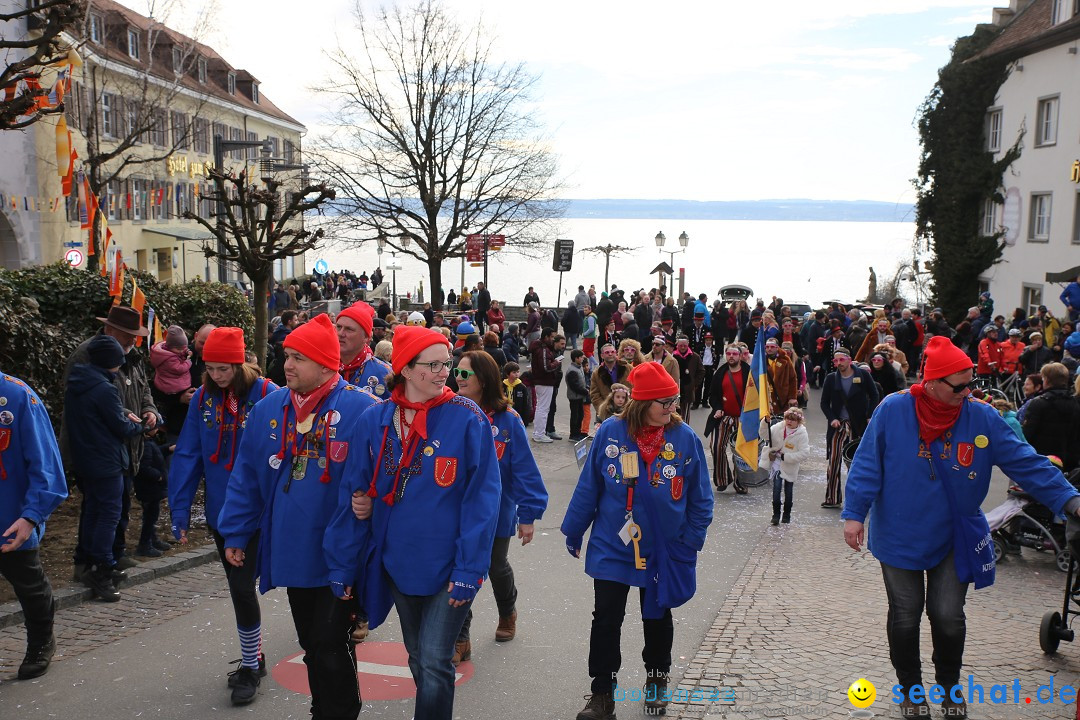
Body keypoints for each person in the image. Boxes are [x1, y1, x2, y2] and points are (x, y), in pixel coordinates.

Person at [841, 335, 1080, 719]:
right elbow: (868, 463)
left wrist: (1070, 499)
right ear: (932, 382)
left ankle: (950, 688)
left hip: (955, 535)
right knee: (905, 614)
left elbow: (1025, 461)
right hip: (900, 533)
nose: (968, 391)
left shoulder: (981, 415)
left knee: (948, 615)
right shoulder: (893, 409)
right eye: (960, 385)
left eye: (971, 382)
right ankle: (911, 690)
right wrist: (854, 513)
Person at [325, 325, 501, 720]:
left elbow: (483, 500)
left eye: (447, 363)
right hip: (397, 564)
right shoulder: (375, 419)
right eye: (433, 364)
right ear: (405, 368)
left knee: (437, 660)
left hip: (450, 567)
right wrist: (347, 548)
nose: (445, 372)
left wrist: (470, 568)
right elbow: (355, 487)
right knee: (419, 656)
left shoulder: (467, 417)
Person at [216, 315, 377, 720]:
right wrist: (235, 532)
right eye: (287, 355)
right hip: (293, 551)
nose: (287, 365)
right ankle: (322, 705)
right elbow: (247, 477)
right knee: (312, 640)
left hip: (341, 551)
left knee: (329, 640)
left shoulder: (362, 409)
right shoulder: (270, 408)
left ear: (326, 364)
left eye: (299, 358)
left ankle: (338, 711)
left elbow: (383, 473)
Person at [562, 361, 714, 719]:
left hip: (663, 548)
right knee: (606, 619)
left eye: (675, 400)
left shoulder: (684, 438)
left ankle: (657, 680)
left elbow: (701, 498)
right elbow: (590, 487)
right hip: (612, 546)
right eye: (666, 402)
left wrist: (689, 541)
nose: (672, 407)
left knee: (657, 617)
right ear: (643, 402)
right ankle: (602, 694)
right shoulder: (610, 432)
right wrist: (574, 528)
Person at [169, 327, 278, 704]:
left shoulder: (267, 395)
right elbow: (188, 453)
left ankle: (250, 666)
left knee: (241, 586)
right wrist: (179, 509)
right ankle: (255, 655)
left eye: (224, 368)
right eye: (210, 368)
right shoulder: (203, 399)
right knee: (240, 586)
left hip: (258, 513)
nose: (216, 375)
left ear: (240, 362)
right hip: (221, 513)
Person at [450, 351, 548, 660]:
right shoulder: (450, 411)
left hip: (496, 511)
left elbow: (524, 469)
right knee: (458, 569)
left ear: (484, 378)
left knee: (495, 566)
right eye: (457, 372)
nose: (457, 378)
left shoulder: (509, 420)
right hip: (456, 510)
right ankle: (460, 638)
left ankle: (508, 612)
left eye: (465, 374)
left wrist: (528, 514)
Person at [61, 306, 160, 581]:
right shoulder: (87, 356)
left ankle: (112, 555)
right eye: (128, 335)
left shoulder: (131, 355)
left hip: (124, 447)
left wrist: (150, 410)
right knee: (101, 508)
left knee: (117, 506)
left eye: (135, 336)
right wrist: (130, 423)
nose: (132, 341)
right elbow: (82, 410)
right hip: (101, 449)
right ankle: (94, 562)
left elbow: (144, 389)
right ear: (109, 330)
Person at [65, 335, 146, 601]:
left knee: (93, 510)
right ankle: (102, 569)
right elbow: (120, 427)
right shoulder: (104, 388)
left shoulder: (79, 383)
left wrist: (121, 414)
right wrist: (141, 427)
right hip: (106, 460)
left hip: (87, 458)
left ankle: (89, 562)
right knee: (108, 515)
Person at [0, 371, 68, 679]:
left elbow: (46, 464)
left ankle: (41, 643)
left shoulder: (17, 396)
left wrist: (30, 516)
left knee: (29, 585)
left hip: (10, 518)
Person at [819, 348, 879, 509]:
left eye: (841, 360)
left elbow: (874, 395)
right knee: (834, 462)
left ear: (849, 360)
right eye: (835, 361)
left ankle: (860, 501)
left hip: (858, 426)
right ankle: (832, 498)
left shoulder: (862, 375)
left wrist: (869, 414)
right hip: (838, 426)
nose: (838, 364)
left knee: (859, 464)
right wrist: (832, 419)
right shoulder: (831, 379)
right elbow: (824, 403)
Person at [707, 344, 751, 494]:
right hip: (723, 418)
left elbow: (756, 395)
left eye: (734, 354)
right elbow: (712, 396)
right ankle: (723, 478)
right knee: (716, 447)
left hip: (742, 418)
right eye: (729, 354)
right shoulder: (720, 373)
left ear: (740, 356)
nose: (731, 356)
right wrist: (718, 407)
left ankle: (741, 482)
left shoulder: (748, 372)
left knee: (741, 453)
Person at [1022, 362, 1080, 471]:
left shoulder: (1038, 403)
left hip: (1042, 460)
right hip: (1069, 462)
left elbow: (1027, 434)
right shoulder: (1075, 404)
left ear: (1047, 380)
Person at [761, 407, 810, 525]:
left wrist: (786, 457)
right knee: (776, 488)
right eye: (788, 418)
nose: (789, 422)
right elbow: (765, 435)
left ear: (799, 422)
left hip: (790, 465)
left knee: (788, 491)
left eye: (793, 420)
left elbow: (804, 453)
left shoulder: (802, 434)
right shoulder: (779, 427)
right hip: (777, 464)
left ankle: (787, 514)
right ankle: (776, 514)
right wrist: (765, 423)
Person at [336, 303, 391, 399]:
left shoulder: (384, 374)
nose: (340, 333)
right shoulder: (324, 369)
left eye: (349, 329)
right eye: (339, 327)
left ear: (366, 337)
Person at [132, 432, 171, 558]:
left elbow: (156, 455)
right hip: (149, 490)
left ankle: (152, 540)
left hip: (151, 490)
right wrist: (158, 476)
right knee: (150, 518)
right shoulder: (145, 445)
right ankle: (145, 544)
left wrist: (167, 449)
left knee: (151, 517)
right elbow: (144, 467)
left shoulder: (148, 443)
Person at [151, 325, 194, 436]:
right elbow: (180, 368)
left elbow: (182, 351)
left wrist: (185, 352)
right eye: (179, 349)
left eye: (183, 348)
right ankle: (161, 424)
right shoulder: (168, 359)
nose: (181, 351)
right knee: (166, 408)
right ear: (170, 347)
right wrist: (188, 361)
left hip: (171, 386)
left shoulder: (172, 351)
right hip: (170, 387)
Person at [530, 328, 565, 444]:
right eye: (551, 337)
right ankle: (539, 434)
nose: (552, 339)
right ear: (546, 337)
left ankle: (539, 432)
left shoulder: (541, 348)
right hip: (545, 381)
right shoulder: (543, 349)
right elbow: (546, 367)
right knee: (543, 409)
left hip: (542, 381)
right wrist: (556, 363)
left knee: (541, 408)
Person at [672, 336, 703, 419]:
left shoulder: (695, 357)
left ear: (688, 345)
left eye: (684, 346)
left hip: (688, 390)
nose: (682, 347)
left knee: (685, 415)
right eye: (680, 345)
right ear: (677, 345)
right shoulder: (672, 357)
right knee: (673, 413)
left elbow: (701, 371)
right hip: (674, 389)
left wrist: (694, 384)